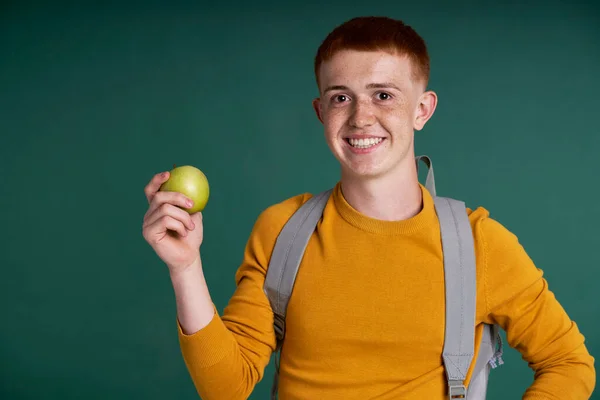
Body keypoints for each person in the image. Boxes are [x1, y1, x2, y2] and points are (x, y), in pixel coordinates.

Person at [142, 16, 596, 399]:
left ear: (422, 110)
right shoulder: (282, 230)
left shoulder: (478, 244)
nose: (360, 117)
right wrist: (185, 267)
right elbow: (227, 386)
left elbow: (569, 363)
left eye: (384, 95)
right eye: (341, 97)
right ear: (321, 112)